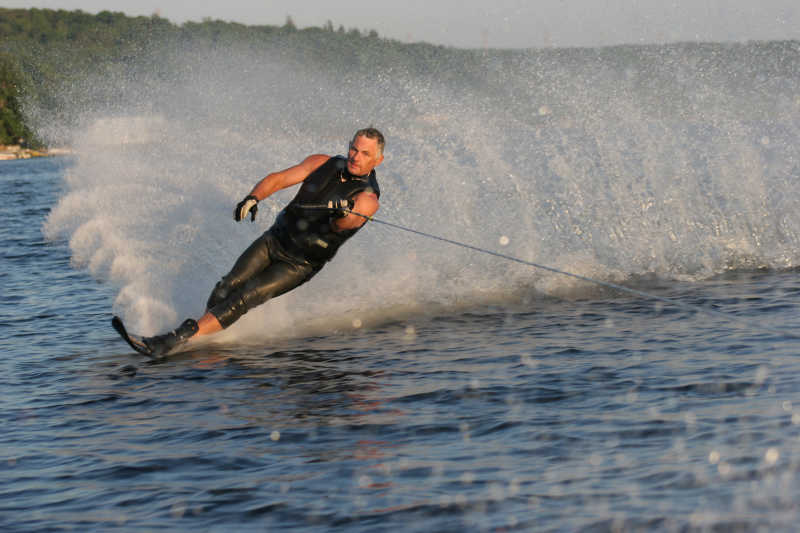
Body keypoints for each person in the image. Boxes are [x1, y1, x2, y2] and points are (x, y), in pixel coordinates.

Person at [140, 127, 384, 355]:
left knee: (243, 297)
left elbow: (346, 223)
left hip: (299, 263)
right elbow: (278, 179)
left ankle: (178, 337)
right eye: (354, 149)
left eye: (365, 153)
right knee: (226, 285)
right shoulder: (322, 162)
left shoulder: (368, 196)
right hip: (274, 240)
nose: (356, 157)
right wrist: (253, 197)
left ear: (377, 160)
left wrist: (343, 213)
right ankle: (201, 337)